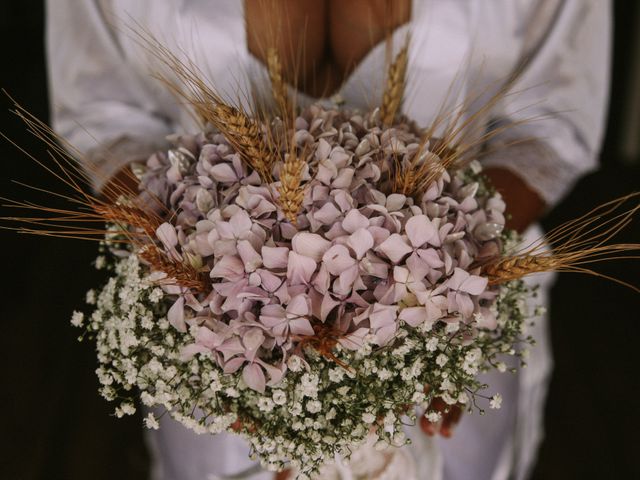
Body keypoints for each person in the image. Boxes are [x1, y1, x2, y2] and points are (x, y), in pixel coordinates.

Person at [46, 1, 611, 479]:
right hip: (212, 325)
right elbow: (100, 114)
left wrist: (431, 291)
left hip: (457, 308)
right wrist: (221, 305)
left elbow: (551, 123)